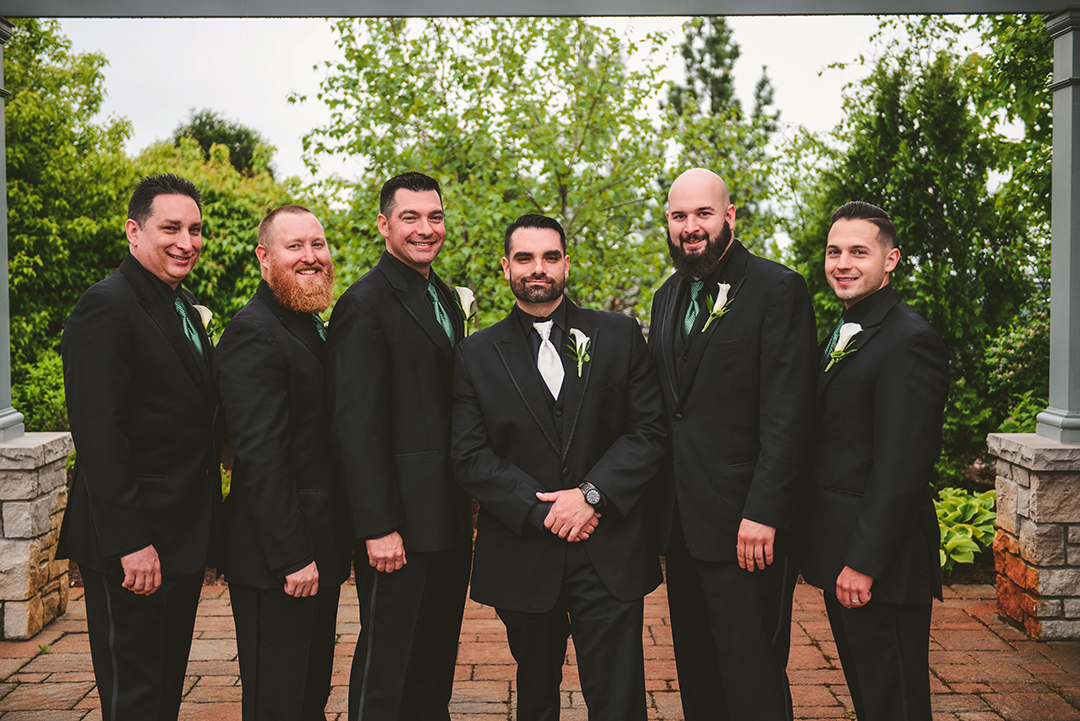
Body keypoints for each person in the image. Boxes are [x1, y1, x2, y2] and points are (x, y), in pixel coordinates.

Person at [451, 214, 667, 721]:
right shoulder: (475, 353)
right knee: (535, 698)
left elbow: (650, 430)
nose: (538, 269)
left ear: (566, 263)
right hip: (526, 552)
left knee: (619, 699)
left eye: (549, 256)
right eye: (524, 258)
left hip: (608, 548)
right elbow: (469, 453)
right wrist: (544, 509)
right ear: (506, 267)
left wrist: (590, 495)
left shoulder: (617, 334)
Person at [648, 168, 817, 721]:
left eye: (703, 214)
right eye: (679, 216)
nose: (691, 227)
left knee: (752, 675)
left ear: (730, 216)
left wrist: (764, 511)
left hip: (748, 526)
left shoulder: (777, 289)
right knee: (698, 672)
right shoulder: (665, 297)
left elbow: (789, 413)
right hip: (683, 526)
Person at [59, 173, 218, 720]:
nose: (186, 241)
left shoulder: (182, 304)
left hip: (180, 534)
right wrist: (131, 542)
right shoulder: (106, 306)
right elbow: (98, 433)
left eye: (195, 229)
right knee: (134, 696)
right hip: (134, 543)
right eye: (170, 227)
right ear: (134, 231)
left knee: (163, 688)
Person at [327, 172, 473, 721]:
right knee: (386, 666)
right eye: (410, 218)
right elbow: (354, 427)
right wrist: (377, 525)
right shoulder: (363, 304)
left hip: (447, 516)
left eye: (434, 217)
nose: (425, 229)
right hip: (398, 526)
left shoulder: (443, 296)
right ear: (384, 225)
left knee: (435, 660)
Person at [800, 201, 948, 721]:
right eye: (834, 251)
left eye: (859, 252)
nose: (843, 263)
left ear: (891, 260)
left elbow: (901, 465)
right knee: (871, 697)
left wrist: (863, 562)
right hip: (845, 549)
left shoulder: (910, 340)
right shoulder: (846, 330)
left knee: (896, 702)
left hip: (880, 560)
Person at [214, 205, 352, 721]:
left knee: (308, 696)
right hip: (280, 559)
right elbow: (263, 458)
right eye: (295, 247)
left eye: (317, 245)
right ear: (264, 258)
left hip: (318, 548)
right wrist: (293, 556)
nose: (311, 257)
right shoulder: (254, 332)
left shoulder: (307, 323)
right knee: (278, 702)